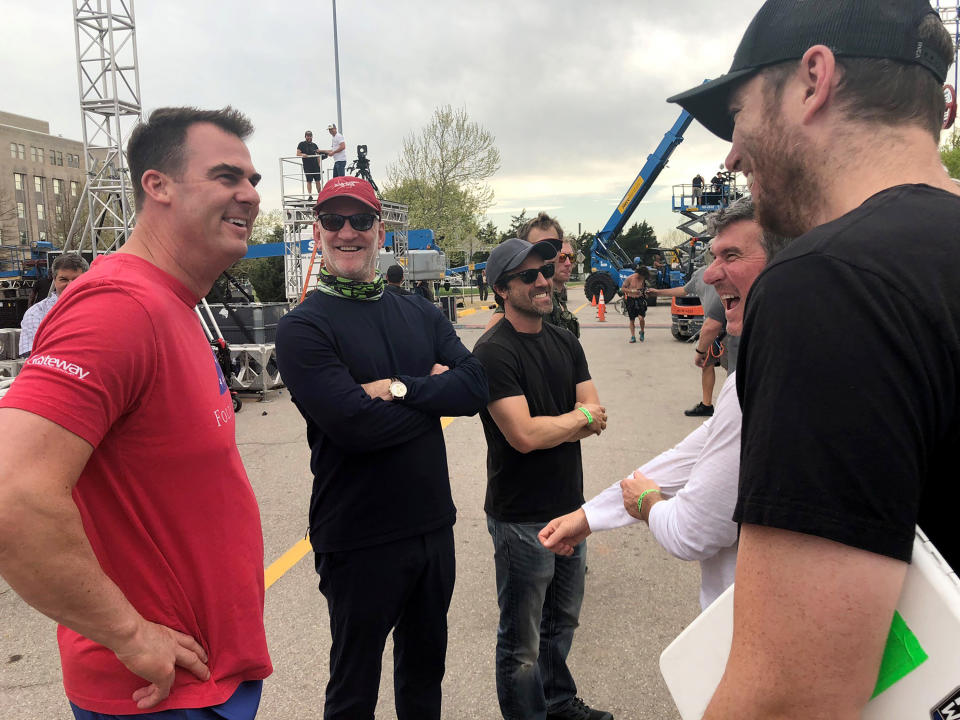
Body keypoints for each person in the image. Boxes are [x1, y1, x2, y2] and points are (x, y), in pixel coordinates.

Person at [666, 1, 960, 716]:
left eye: (737, 115)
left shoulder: (828, 284)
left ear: (813, 79)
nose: (732, 154)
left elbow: (790, 698)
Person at [0, 107, 272, 719]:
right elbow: (12, 495)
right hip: (158, 695)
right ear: (158, 186)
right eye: (227, 176)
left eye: (253, 180)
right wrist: (128, 633)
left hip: (206, 676)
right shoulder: (118, 308)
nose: (250, 195)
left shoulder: (172, 303)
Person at [274, 176, 488, 720]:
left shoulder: (417, 310)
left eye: (361, 220)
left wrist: (396, 389)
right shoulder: (303, 327)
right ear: (317, 230)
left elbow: (476, 387)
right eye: (334, 221)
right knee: (354, 686)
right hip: (357, 536)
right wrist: (434, 395)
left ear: (381, 230)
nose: (348, 232)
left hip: (431, 526)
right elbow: (352, 427)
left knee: (424, 676)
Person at [539, 199, 787, 610]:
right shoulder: (762, 368)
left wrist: (647, 503)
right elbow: (697, 452)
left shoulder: (776, 377)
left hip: (756, 624)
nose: (710, 273)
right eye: (713, 256)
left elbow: (692, 532)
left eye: (732, 255)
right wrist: (590, 517)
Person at [473, 237, 613, 720]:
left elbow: (597, 413)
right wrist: (577, 420)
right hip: (520, 519)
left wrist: (572, 420)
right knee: (522, 642)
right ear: (501, 289)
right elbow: (525, 436)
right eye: (527, 275)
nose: (542, 280)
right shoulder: (492, 353)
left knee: (561, 622)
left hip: (570, 509)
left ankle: (556, 702)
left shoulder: (565, 340)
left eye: (546, 269)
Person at [485, 213, 580, 337]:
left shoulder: (553, 295)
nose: (549, 255)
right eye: (538, 246)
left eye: (555, 246)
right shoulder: (522, 300)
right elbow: (492, 337)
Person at [648, 267, 725, 416]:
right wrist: (658, 292)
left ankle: (736, 408)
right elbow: (683, 290)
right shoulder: (700, 274)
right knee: (708, 365)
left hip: (728, 328)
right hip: (712, 327)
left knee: (733, 370)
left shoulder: (730, 269)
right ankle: (707, 405)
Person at [18, 252, 89, 357]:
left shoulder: (100, 310)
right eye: (63, 279)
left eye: (76, 279)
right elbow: (31, 356)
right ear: (54, 280)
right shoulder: (36, 313)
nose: (70, 285)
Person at [620, 262, 648, 343]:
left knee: (641, 318)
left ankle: (642, 331)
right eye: (642, 275)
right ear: (639, 273)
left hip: (640, 299)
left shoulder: (643, 279)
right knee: (632, 320)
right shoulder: (630, 278)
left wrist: (645, 292)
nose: (642, 277)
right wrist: (632, 291)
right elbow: (623, 289)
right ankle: (633, 336)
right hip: (630, 299)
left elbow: (645, 289)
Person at [296, 129, 322, 199]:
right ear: (305, 136)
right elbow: (297, 153)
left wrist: (319, 165)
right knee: (309, 181)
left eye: (310, 136)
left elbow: (318, 156)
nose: (309, 137)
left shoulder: (314, 145)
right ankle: (310, 195)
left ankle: (320, 195)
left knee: (317, 181)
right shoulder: (301, 144)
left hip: (315, 166)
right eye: (308, 136)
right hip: (307, 166)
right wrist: (302, 154)